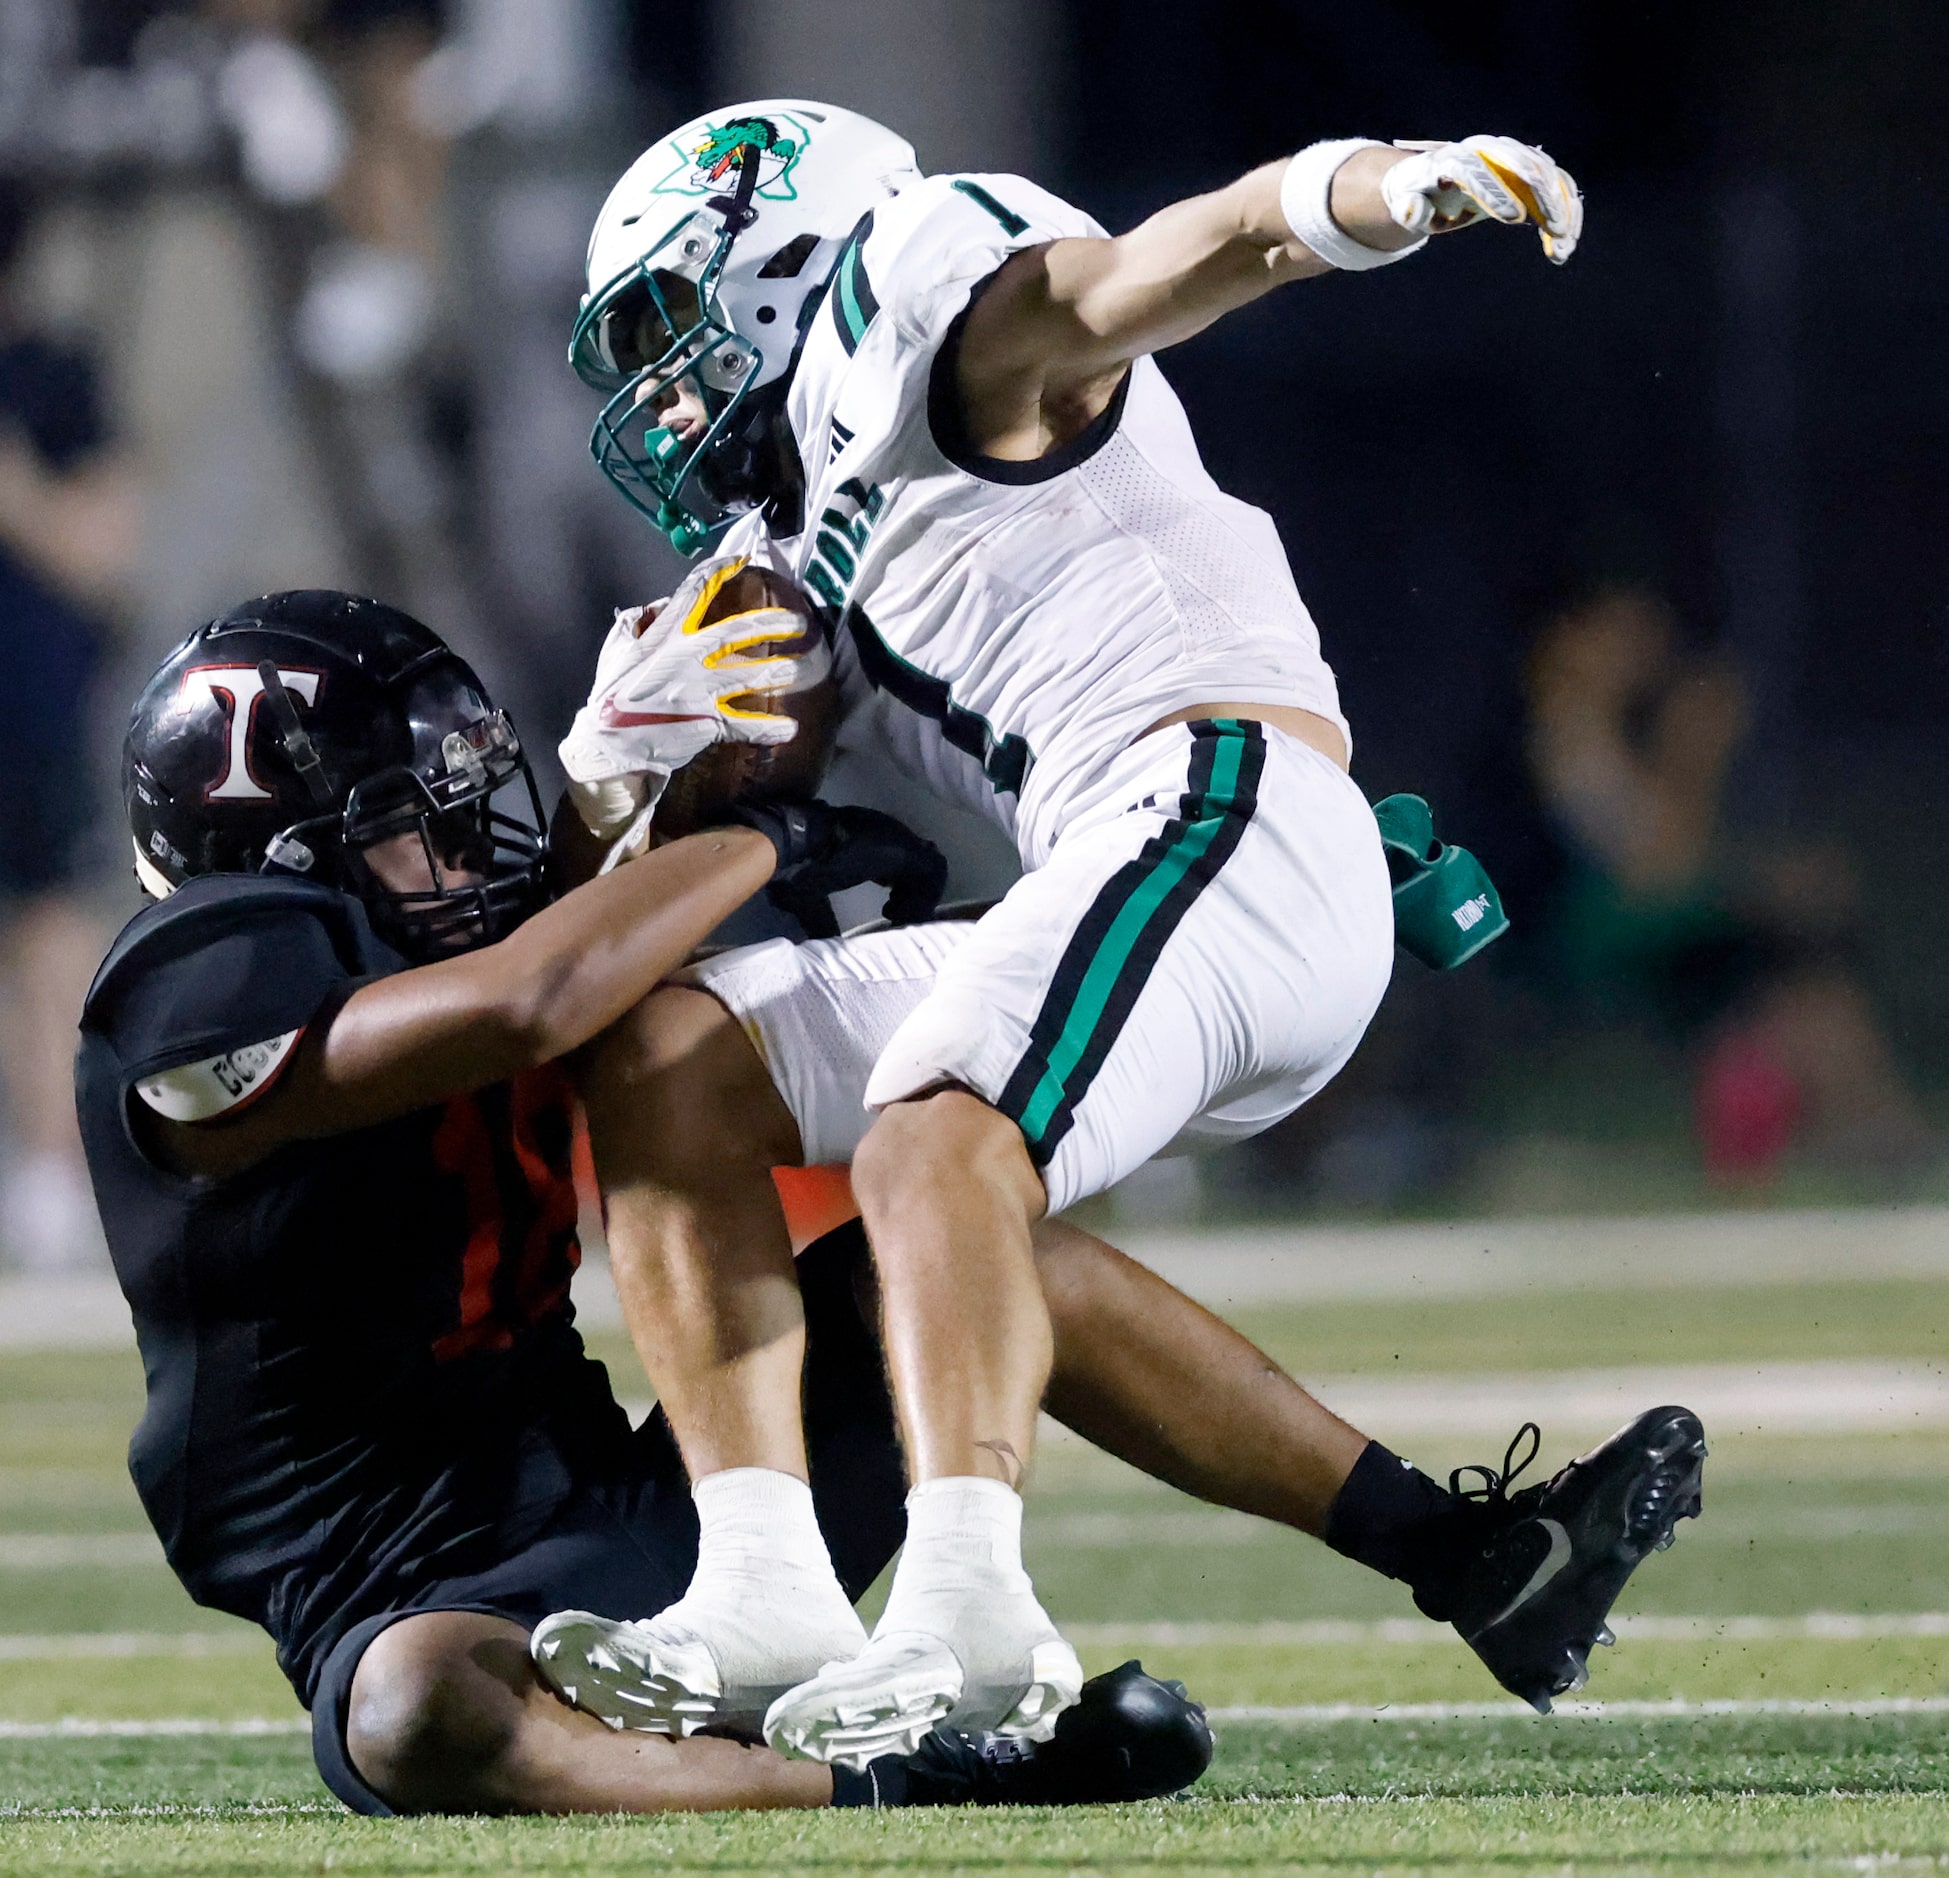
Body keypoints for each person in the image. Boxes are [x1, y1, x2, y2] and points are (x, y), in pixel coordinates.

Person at [542, 102, 1650, 1760]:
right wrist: (607, 764)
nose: (666, 395)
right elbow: (603, 922)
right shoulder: (787, 540)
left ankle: (972, 1609)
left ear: (771, 264)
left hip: (1222, 806)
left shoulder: (920, 296)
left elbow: (1154, 266)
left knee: (931, 1145)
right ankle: (764, 1574)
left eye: (668, 331)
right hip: (1145, 858)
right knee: (670, 1048)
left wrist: (1367, 191)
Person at [79, 586, 1222, 1816]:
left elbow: (595, 951)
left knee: (972, 1261)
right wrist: (761, 841)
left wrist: (1219, 892)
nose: (474, 853)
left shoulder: (459, 935)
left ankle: (1432, 1539)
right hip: (412, 1591)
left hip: (654, 1530)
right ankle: (903, 1775)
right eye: (420, 824)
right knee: (418, 1710)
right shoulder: (197, 975)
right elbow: (529, 998)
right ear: (277, 854)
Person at [1524, 583, 1932, 1180]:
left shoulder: (1609, 726)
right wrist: (1694, 751)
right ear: (1571, 638)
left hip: (1648, 924)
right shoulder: (1568, 734)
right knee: (1796, 940)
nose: (1643, 652)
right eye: (1624, 633)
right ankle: (1873, 1134)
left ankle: (1872, 1131)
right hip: (1582, 940)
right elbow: (1654, 868)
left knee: (1805, 960)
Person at [0, 173, 142, 1270]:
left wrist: (16, 488)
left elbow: (105, 554)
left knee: (49, 923)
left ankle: (53, 1171)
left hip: (30, 697)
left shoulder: (54, 379)